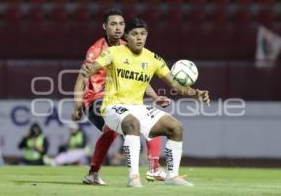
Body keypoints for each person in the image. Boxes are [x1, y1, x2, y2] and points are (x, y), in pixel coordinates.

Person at [72, 18, 210, 188]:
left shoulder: (153, 58)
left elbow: (176, 85)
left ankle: (172, 176)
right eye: (135, 34)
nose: (139, 38)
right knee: (132, 123)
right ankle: (134, 177)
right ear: (127, 37)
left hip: (137, 108)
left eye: (143, 34)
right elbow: (92, 69)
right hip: (112, 107)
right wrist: (87, 71)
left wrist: (196, 93)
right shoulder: (113, 52)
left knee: (176, 127)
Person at [74, 8, 171, 185]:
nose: (118, 28)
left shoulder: (128, 48)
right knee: (112, 130)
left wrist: (155, 97)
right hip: (95, 99)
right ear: (105, 26)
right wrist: (77, 106)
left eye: (121, 24)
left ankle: (154, 168)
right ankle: (95, 173)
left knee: (149, 120)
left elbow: (140, 77)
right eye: (113, 24)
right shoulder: (96, 50)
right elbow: (82, 78)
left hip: (119, 99)